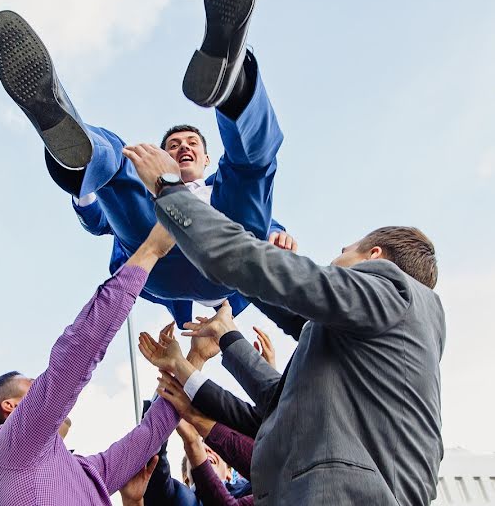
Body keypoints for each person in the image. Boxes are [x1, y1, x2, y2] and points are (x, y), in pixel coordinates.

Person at [0, 0, 305, 333]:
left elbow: (265, 223)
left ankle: (233, 83)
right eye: (174, 146)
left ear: (207, 160)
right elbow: (98, 220)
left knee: (252, 168)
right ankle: (79, 150)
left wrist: (281, 240)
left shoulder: (219, 189)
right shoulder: (148, 180)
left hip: (226, 260)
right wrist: (88, 186)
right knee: (120, 164)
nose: (184, 148)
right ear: (166, 157)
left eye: (192, 143)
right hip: (159, 257)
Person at [122, 143, 446, 505]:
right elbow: (278, 406)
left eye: (344, 250)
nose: (335, 258)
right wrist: (224, 335)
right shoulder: (372, 342)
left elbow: (274, 273)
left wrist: (169, 191)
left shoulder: (395, 290)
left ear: (374, 257)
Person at [0, 225, 187, 505]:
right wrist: (150, 250)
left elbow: (149, 435)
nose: (41, 385)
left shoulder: (82, 472)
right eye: (33, 384)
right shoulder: (10, 449)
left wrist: (193, 361)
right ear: (10, 407)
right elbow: (75, 355)